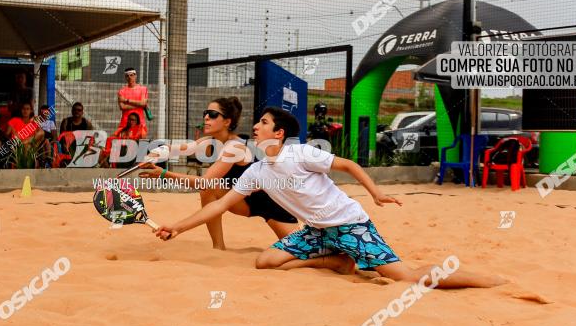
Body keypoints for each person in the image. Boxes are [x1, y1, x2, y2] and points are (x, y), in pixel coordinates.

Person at [155, 107, 506, 289]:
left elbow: (349, 164)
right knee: (265, 262)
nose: (257, 127)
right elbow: (218, 203)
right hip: (317, 231)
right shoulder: (257, 171)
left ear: (278, 133)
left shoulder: (301, 153)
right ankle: (335, 262)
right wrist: (177, 228)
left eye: (263, 122)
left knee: (407, 277)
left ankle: (490, 281)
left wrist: (377, 193)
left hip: (350, 225)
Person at [139, 96, 298, 250]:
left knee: (299, 250)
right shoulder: (209, 142)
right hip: (241, 201)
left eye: (213, 115)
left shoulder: (234, 147)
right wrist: (156, 153)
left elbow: (204, 182)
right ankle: (218, 247)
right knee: (210, 190)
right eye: (205, 114)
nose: (207, 117)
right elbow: (179, 149)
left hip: (270, 204)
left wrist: (163, 174)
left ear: (227, 122)